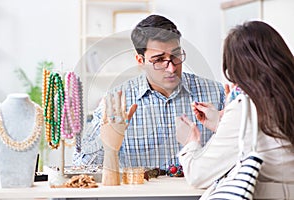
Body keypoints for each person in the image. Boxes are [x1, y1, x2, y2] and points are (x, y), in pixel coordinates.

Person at [73, 14, 225, 171]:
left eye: (176, 55)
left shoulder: (215, 93)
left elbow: (240, 153)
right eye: (159, 60)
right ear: (140, 61)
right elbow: (81, 163)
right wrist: (108, 140)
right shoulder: (115, 101)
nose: (171, 68)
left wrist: (222, 126)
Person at [177, 21, 294, 199]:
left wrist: (190, 143)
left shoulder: (246, 109)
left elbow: (198, 175)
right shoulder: (284, 98)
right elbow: (274, 143)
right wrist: (221, 122)